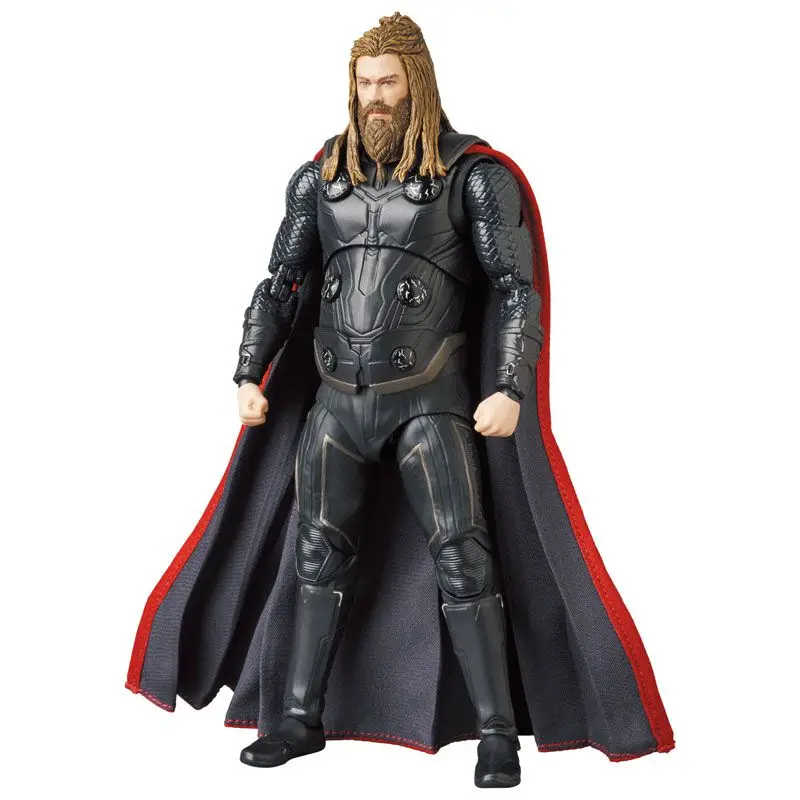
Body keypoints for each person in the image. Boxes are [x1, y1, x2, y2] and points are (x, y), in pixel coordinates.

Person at [127, 12, 673, 790]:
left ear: (417, 83)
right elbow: (283, 280)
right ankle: (297, 719)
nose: (376, 97)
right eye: (365, 83)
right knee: (315, 558)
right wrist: (249, 371)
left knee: (464, 560)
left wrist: (508, 386)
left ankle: (495, 734)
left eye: (388, 82)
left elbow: (515, 289)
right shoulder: (321, 176)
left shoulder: (472, 176)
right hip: (336, 406)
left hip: (431, 402)